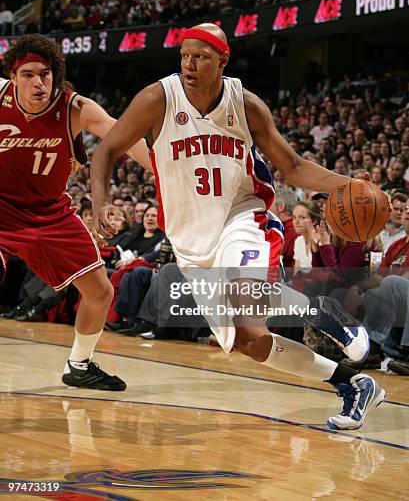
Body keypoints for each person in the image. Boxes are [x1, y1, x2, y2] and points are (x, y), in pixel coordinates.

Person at [91, 23, 384, 430]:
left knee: (242, 293)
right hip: (191, 242)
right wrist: (100, 205)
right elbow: (105, 150)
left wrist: (347, 184)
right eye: (185, 56)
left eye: (201, 57)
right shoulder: (158, 98)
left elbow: (293, 167)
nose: (190, 65)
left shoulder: (245, 104)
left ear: (223, 61)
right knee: (250, 341)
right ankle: (353, 385)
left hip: (242, 216)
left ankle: (323, 312)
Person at [0, 34, 151, 391]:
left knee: (100, 292)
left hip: (50, 213)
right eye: (28, 75)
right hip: (2, 210)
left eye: (46, 74)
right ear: (13, 75)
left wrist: (170, 175)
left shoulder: (76, 109)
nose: (39, 82)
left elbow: (126, 140)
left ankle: (80, 365)